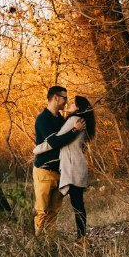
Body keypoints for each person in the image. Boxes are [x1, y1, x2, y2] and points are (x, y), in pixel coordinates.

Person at [32, 86, 86, 235]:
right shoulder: (43, 119)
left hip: (60, 172)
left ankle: (49, 243)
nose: (66, 102)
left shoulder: (61, 119)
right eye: (64, 98)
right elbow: (55, 142)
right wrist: (74, 130)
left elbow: (67, 142)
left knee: (53, 212)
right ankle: (36, 243)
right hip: (44, 171)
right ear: (56, 98)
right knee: (41, 210)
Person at [55, 96, 96, 240]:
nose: (69, 104)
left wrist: (38, 150)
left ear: (78, 108)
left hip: (72, 167)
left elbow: (58, 139)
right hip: (79, 166)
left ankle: (81, 237)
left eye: (72, 103)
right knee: (78, 204)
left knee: (74, 204)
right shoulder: (84, 122)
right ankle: (81, 236)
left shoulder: (74, 120)